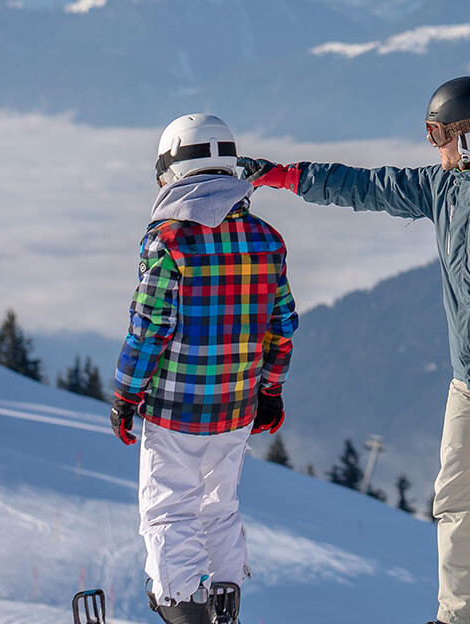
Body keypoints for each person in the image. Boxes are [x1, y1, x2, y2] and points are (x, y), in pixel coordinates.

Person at [238, 76, 470, 624]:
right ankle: (462, 614)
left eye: (438, 133)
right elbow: (370, 186)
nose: (432, 144)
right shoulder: (448, 186)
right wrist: (285, 176)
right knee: (455, 496)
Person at [112, 113, 298, 624]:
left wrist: (126, 396)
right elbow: (281, 325)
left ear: (172, 172)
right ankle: (224, 604)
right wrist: (271, 391)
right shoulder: (267, 239)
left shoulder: (168, 241)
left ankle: (181, 607)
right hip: (237, 406)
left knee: (169, 507)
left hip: (175, 407)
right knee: (219, 504)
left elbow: (149, 328)